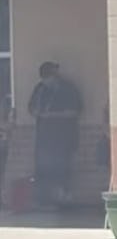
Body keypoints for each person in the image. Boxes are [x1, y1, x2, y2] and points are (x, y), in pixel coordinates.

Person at [27, 61, 82, 210]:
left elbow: (75, 111)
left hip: (63, 137)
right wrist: (37, 113)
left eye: (49, 76)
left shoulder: (68, 89)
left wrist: (52, 115)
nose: (47, 80)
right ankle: (43, 200)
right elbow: (31, 108)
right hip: (43, 138)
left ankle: (62, 200)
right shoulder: (40, 89)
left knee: (62, 168)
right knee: (43, 168)